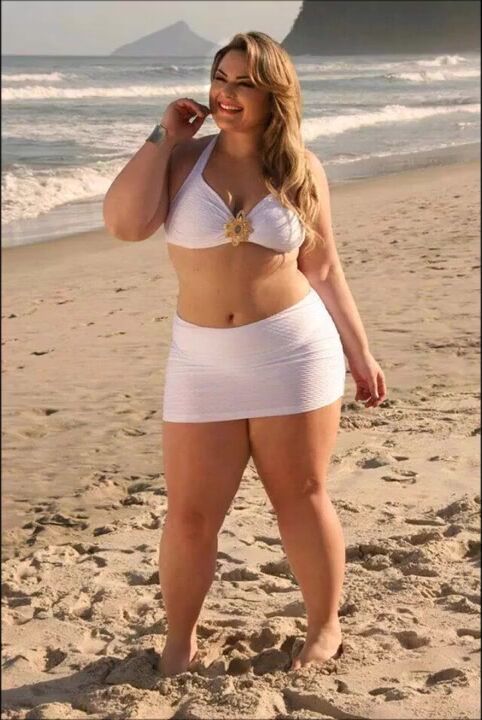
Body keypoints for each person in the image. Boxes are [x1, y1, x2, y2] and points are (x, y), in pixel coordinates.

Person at [103, 31, 387, 677]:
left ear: (274, 93)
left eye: (244, 83)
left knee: (302, 496)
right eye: (220, 79)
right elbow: (124, 224)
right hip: (201, 362)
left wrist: (360, 352)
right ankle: (180, 639)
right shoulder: (181, 160)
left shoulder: (301, 168)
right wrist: (162, 136)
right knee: (191, 513)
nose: (226, 94)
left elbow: (323, 267)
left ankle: (325, 627)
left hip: (292, 350)